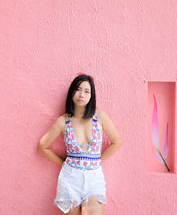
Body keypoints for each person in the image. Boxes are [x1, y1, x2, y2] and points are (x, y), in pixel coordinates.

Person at [37, 74, 122, 215]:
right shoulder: (63, 121)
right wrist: (62, 162)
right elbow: (42, 146)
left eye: (86, 91)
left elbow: (117, 142)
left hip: (94, 178)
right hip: (70, 178)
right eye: (78, 89)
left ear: (91, 95)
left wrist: (98, 160)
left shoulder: (99, 117)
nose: (81, 94)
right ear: (71, 92)